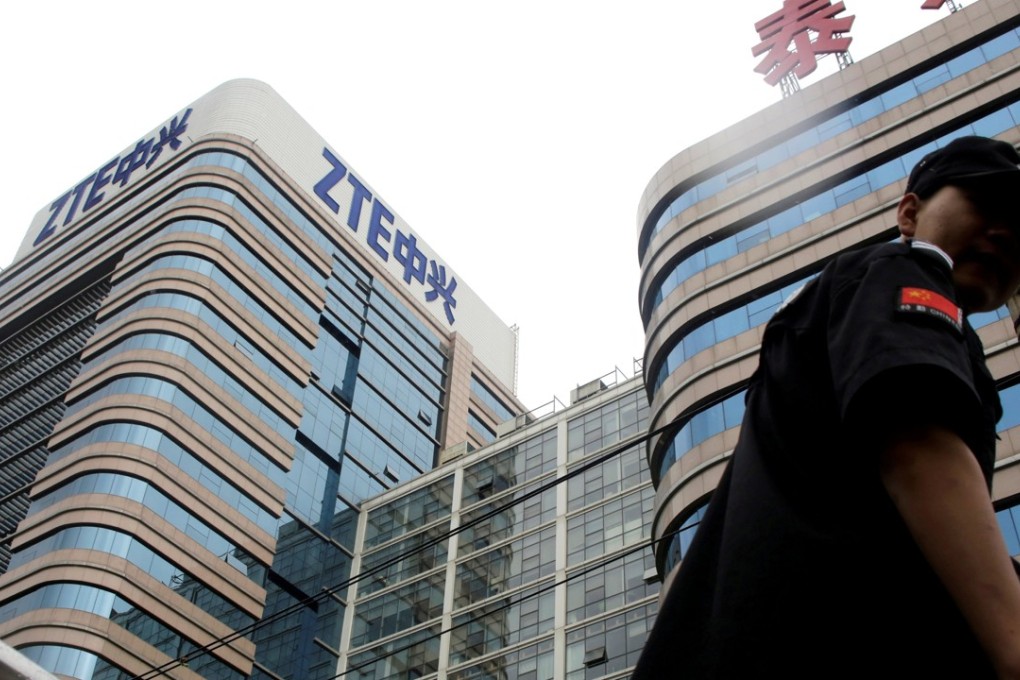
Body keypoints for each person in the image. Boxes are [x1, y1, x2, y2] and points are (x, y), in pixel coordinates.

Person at [633, 136, 1020, 678]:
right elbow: (915, 443)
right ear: (909, 212)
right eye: (986, 204)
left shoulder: (841, 308)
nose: (1006, 232)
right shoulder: (900, 271)